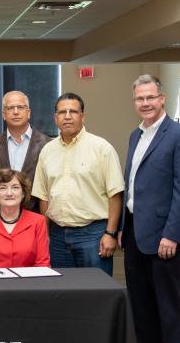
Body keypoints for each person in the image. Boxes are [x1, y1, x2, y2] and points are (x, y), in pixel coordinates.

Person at [119, 74, 180, 343]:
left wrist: (172, 235)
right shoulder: (135, 135)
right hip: (137, 235)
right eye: (140, 98)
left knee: (171, 309)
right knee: (142, 307)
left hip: (166, 239)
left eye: (151, 97)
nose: (145, 103)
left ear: (163, 98)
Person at [31, 92, 124, 276]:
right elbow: (43, 196)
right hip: (57, 236)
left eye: (73, 111)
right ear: (55, 118)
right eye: (62, 112)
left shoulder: (102, 148)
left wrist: (110, 233)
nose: (67, 116)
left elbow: (116, 195)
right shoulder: (47, 151)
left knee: (97, 292)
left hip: (93, 234)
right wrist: (46, 235)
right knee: (64, 294)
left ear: (83, 116)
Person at [0, 91, 51, 212]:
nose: (16, 112)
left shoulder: (47, 145)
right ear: (3, 114)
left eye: (21, 107)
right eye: (10, 108)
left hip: (35, 217)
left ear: (29, 113)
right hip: (0, 216)